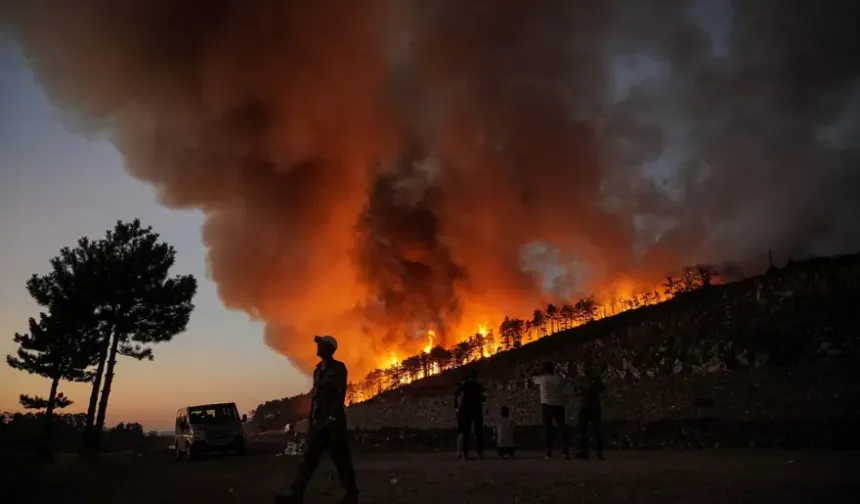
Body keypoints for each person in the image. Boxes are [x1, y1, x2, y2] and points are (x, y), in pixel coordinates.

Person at [275, 335, 359, 504]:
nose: (318, 346)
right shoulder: (317, 370)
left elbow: (339, 395)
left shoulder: (338, 368)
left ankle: (352, 495)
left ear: (329, 348)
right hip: (318, 424)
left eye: (321, 344)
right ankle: (296, 496)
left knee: (342, 462)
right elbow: (315, 399)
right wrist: (312, 421)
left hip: (333, 425)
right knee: (307, 462)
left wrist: (331, 418)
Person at [532, 361, 569, 459]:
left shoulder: (542, 379)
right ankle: (565, 452)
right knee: (562, 428)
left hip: (546, 405)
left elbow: (533, 377)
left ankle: (548, 452)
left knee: (547, 429)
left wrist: (538, 371)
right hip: (559, 405)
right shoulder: (559, 379)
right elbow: (566, 381)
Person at [454, 368, 486, 459]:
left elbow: (459, 394)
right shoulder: (479, 386)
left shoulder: (465, 384)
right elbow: (484, 398)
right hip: (477, 410)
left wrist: (457, 407)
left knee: (465, 432)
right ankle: (480, 453)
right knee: (478, 432)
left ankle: (465, 454)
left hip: (466, 410)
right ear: (477, 376)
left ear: (470, 376)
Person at [575, 362, 605, 460]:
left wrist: (586, 390)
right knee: (588, 430)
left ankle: (590, 453)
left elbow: (601, 389)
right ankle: (595, 453)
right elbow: (601, 389)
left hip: (589, 406)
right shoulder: (592, 378)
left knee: (588, 431)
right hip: (591, 406)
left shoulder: (587, 379)